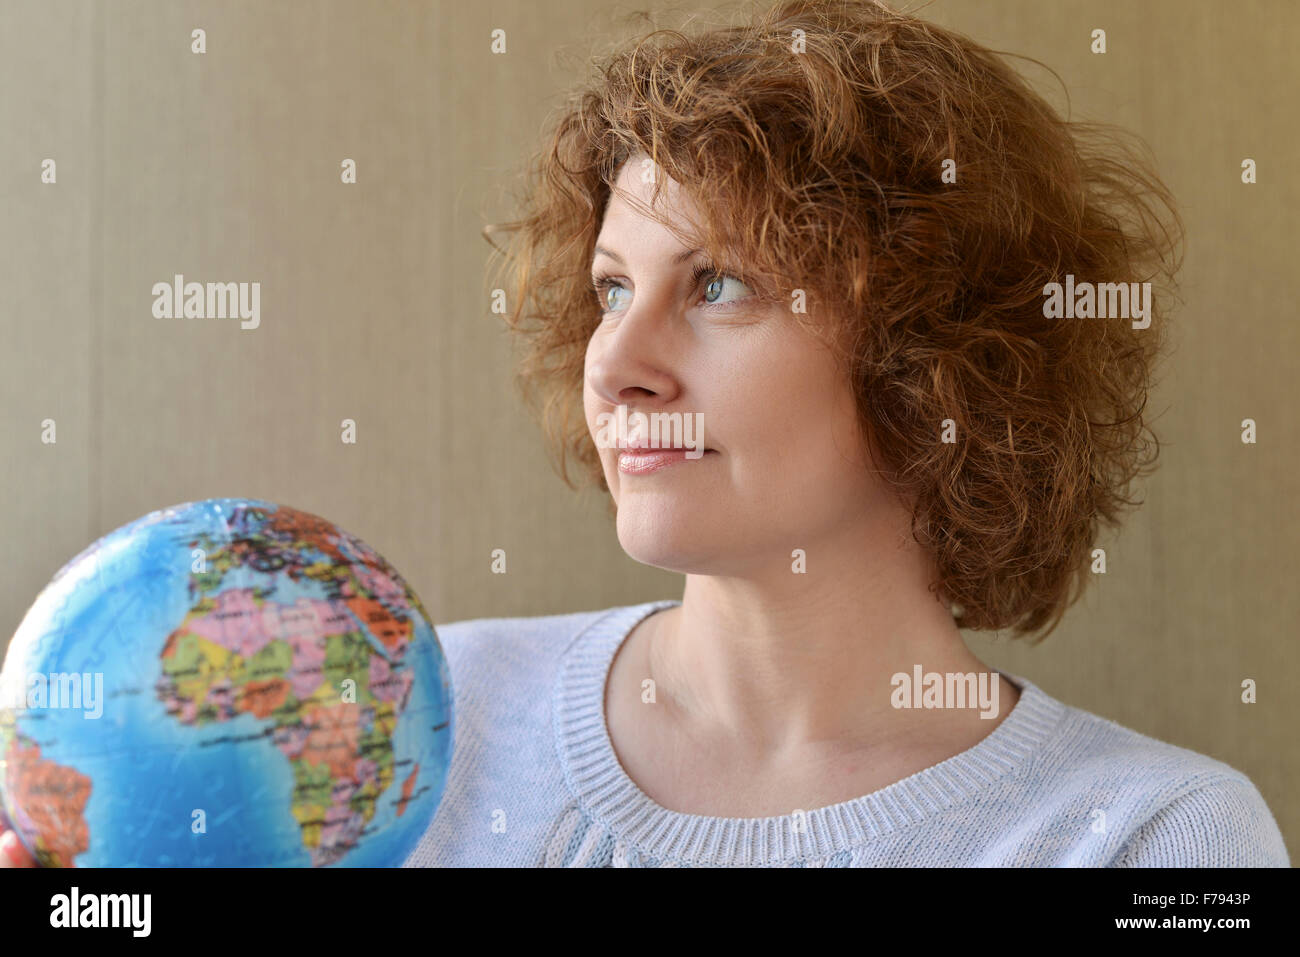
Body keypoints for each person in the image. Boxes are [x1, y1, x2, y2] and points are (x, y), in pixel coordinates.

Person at [3, 0, 1288, 868]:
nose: (613, 363)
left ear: (928, 354)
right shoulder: (390, 733)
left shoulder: (1151, 840)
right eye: (613, 286)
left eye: (716, 284)